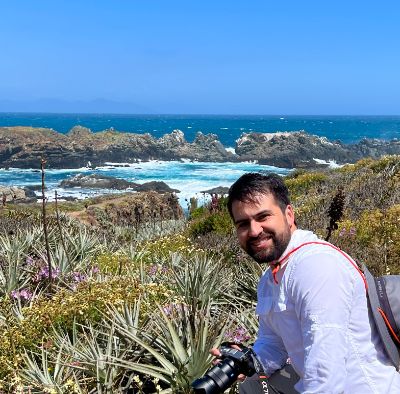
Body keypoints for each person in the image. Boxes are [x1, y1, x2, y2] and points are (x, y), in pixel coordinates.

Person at [213, 172, 400, 393]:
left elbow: (326, 376)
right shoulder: (271, 277)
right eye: (243, 224)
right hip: (316, 382)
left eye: (263, 217)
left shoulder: (316, 267)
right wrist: (247, 361)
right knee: (252, 385)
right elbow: (273, 344)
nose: (254, 231)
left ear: (289, 215)